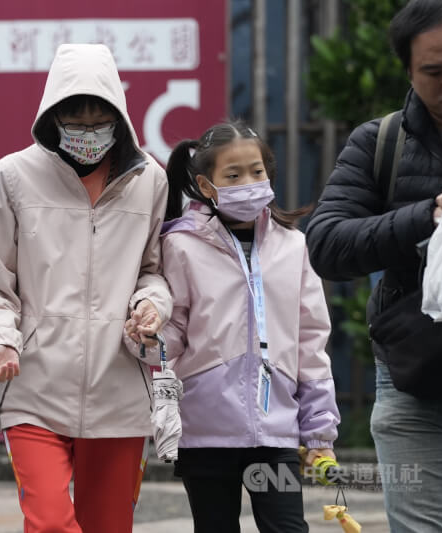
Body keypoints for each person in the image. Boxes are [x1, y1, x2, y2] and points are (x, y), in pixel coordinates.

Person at [0, 43, 172, 533]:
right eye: (74, 119)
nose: (87, 130)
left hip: (120, 388)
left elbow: (154, 270)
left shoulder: (150, 180)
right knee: (51, 525)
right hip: (33, 385)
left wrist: (150, 305)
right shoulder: (12, 176)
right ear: (52, 115)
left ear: (118, 117)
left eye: (98, 118)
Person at [306, 1, 442, 530]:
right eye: (434, 72)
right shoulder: (380, 143)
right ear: (408, 71)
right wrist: (427, 214)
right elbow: (327, 244)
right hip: (416, 379)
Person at [133, 121, 339, 533]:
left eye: (257, 171)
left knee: (288, 528)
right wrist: (146, 338)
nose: (249, 182)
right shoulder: (180, 244)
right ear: (207, 187)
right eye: (233, 175)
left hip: (277, 433)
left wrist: (319, 434)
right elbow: (173, 333)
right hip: (204, 433)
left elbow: (311, 342)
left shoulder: (293, 246)